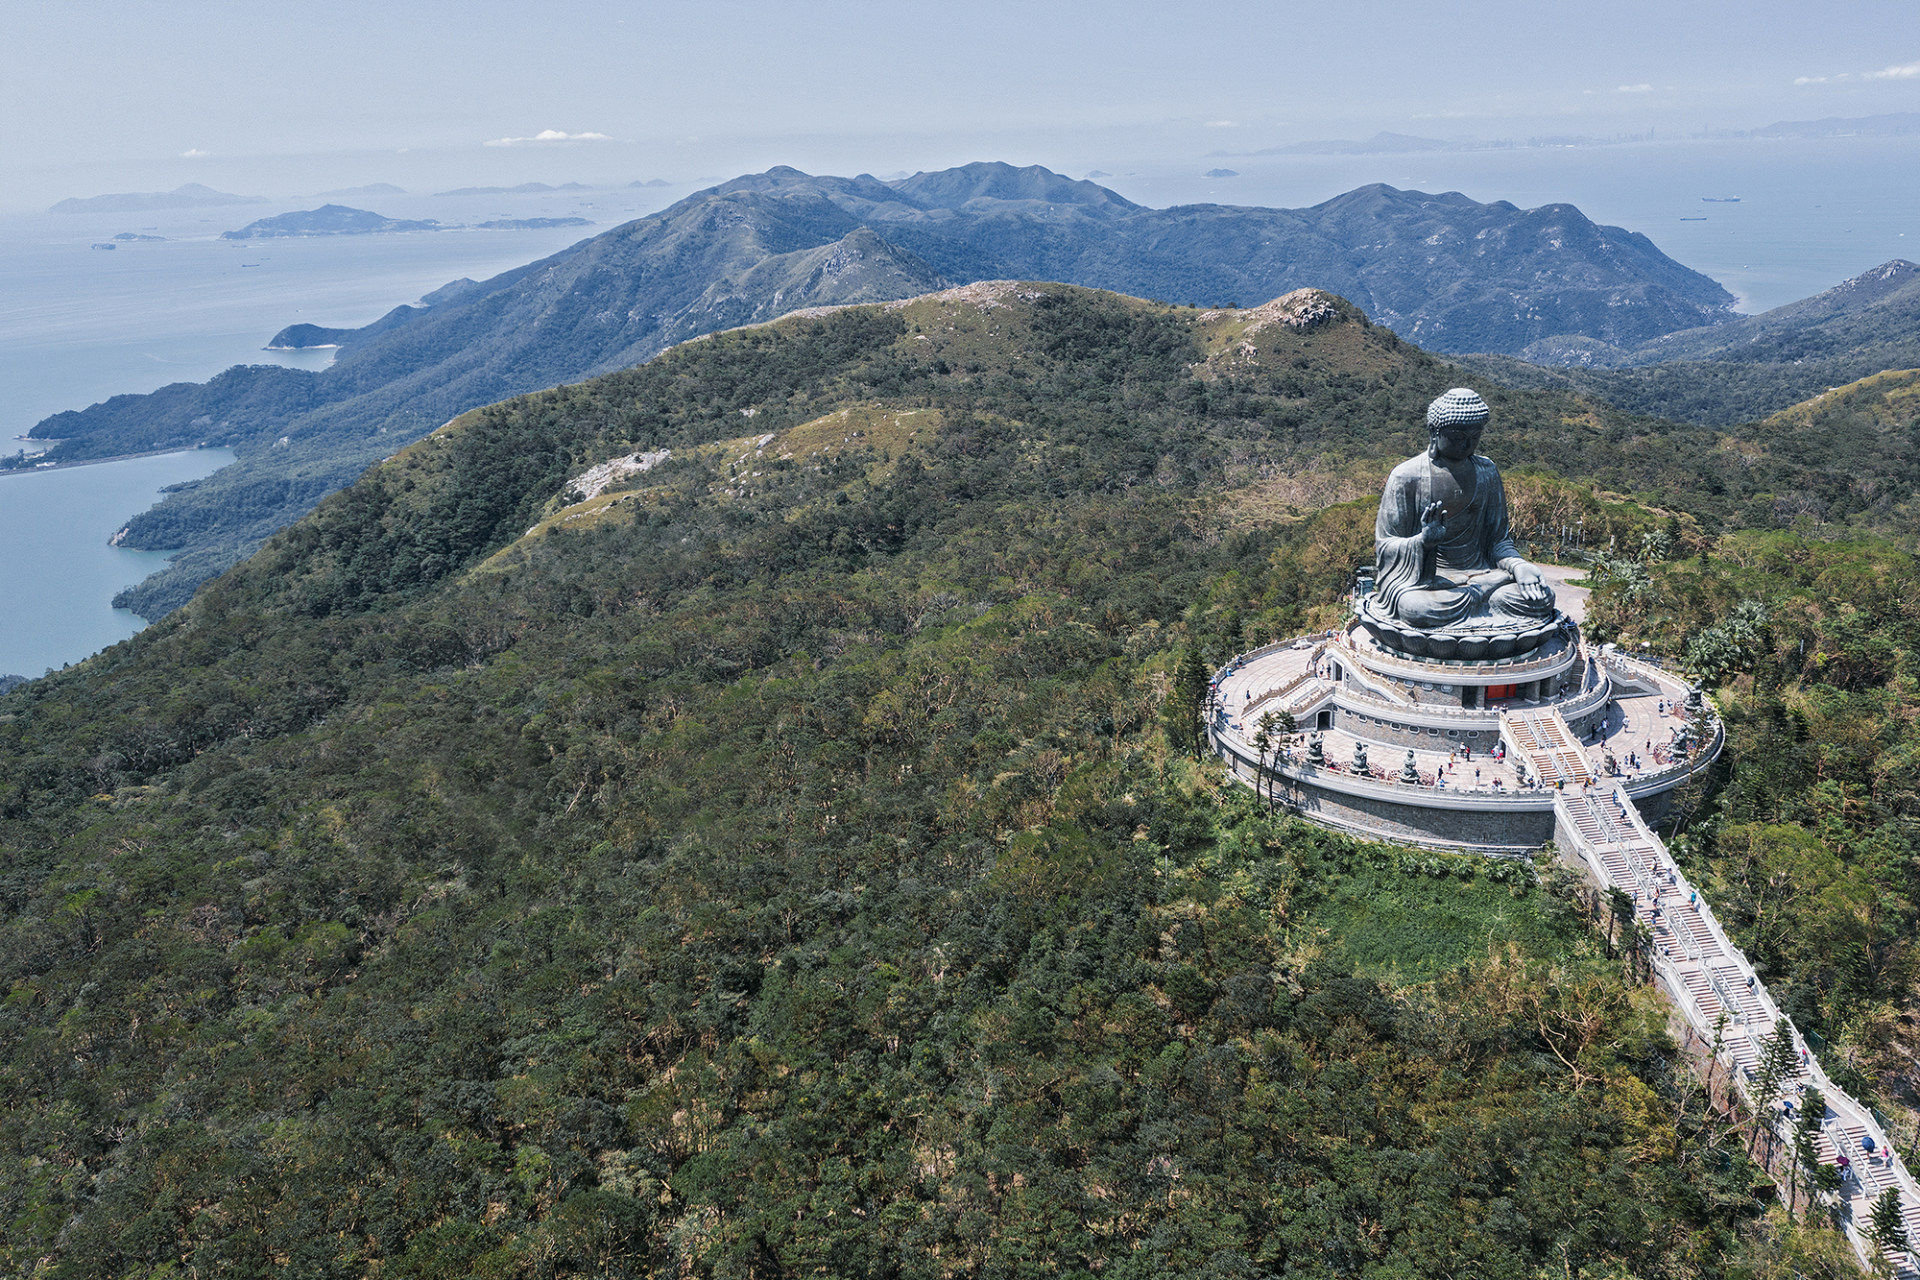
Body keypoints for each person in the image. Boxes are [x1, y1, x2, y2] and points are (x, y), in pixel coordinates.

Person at [1370, 390, 1557, 630]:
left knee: (1541, 597)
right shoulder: (1407, 476)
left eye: (1475, 436)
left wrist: (1519, 566)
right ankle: (1480, 603)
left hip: (1484, 575)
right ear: (1434, 433)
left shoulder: (1487, 471)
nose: (1467, 444)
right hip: (1431, 582)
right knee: (1416, 608)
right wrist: (1423, 541)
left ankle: (1479, 600)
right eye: (1457, 436)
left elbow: (1498, 541)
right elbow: (1386, 545)